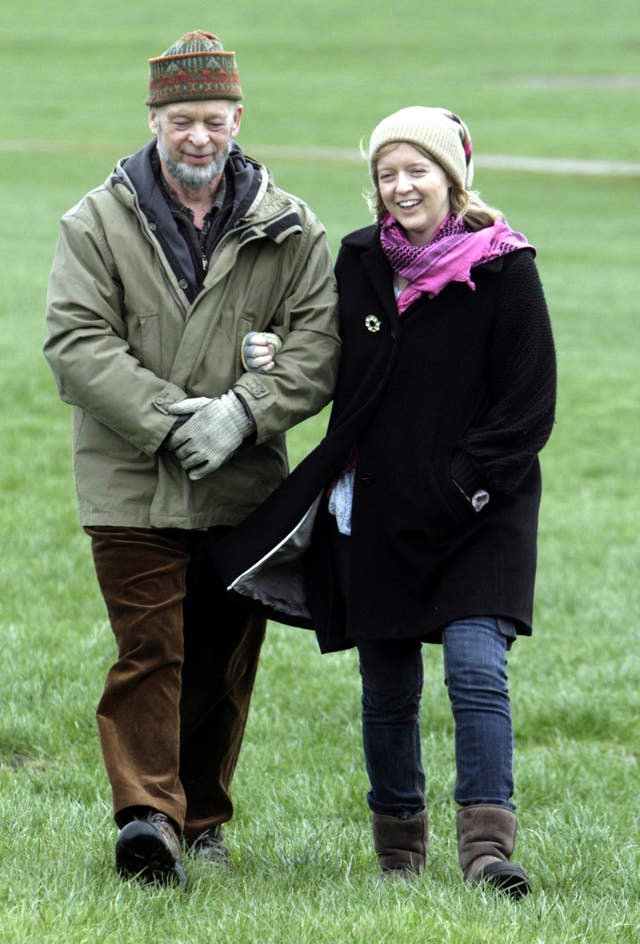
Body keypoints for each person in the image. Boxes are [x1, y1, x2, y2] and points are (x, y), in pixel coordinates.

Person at [211, 106, 556, 897]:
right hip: (376, 510)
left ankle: (486, 852)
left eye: (416, 170)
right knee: (388, 689)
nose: (401, 187)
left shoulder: (508, 268)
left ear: (452, 177)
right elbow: (330, 358)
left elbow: (529, 406)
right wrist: (271, 353)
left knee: (475, 669)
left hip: (481, 511)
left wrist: (462, 489)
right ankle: (399, 856)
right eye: (386, 173)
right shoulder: (362, 259)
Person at [44, 30, 340, 889]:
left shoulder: (291, 228)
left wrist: (246, 413)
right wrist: (175, 421)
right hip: (128, 482)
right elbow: (74, 342)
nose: (198, 136)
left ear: (238, 118)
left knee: (221, 660)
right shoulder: (94, 221)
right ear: (154, 120)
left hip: (245, 489)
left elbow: (320, 347)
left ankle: (202, 818)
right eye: (181, 120)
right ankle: (146, 819)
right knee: (150, 650)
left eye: (212, 119)